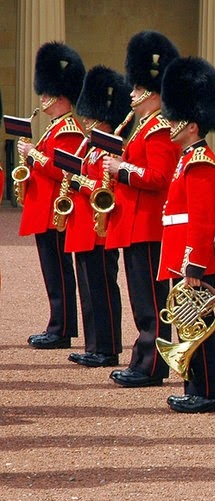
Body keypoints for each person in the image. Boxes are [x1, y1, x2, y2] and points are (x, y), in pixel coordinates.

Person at [103, 31, 180, 387]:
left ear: (150, 92)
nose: (131, 95)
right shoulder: (140, 128)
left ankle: (151, 365)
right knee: (142, 299)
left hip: (148, 224)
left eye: (136, 89)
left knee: (151, 301)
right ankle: (145, 360)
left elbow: (160, 177)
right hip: (134, 223)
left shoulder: (159, 129)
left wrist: (123, 171)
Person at [157, 56, 215, 413]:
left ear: (193, 124)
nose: (170, 124)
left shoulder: (201, 162)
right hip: (181, 253)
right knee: (190, 325)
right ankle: (197, 386)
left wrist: (194, 265)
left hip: (192, 256)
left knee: (196, 325)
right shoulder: (186, 159)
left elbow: (201, 221)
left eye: (176, 119)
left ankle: (204, 391)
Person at [18, 42, 85, 349]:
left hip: (54, 212)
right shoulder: (54, 127)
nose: (42, 100)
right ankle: (57, 325)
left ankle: (60, 329)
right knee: (53, 273)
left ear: (60, 97)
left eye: (47, 95)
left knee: (58, 273)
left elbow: (65, 172)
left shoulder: (68, 129)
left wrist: (33, 156)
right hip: (43, 209)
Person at [65, 66, 132, 367]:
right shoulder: (91, 148)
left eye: (90, 118)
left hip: (99, 228)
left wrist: (79, 182)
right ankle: (94, 345)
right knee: (89, 290)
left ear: (104, 120)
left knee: (102, 288)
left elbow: (111, 187)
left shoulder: (109, 149)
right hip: (83, 226)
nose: (86, 122)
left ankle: (107, 347)